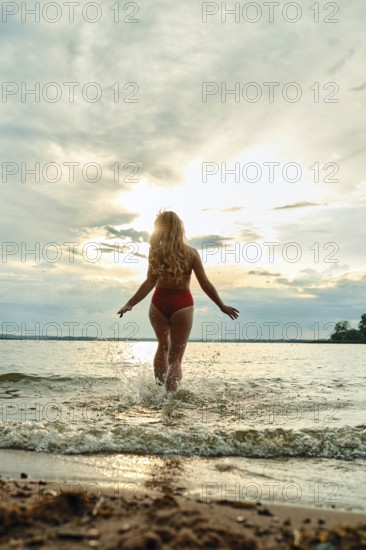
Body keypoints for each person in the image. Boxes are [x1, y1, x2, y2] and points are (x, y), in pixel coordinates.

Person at [117, 211, 239, 392]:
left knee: (162, 346)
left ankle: (159, 392)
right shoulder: (191, 253)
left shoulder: (156, 252)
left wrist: (130, 303)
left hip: (158, 303)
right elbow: (205, 284)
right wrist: (221, 305)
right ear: (179, 228)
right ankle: (170, 396)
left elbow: (150, 282)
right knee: (175, 358)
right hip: (182, 305)